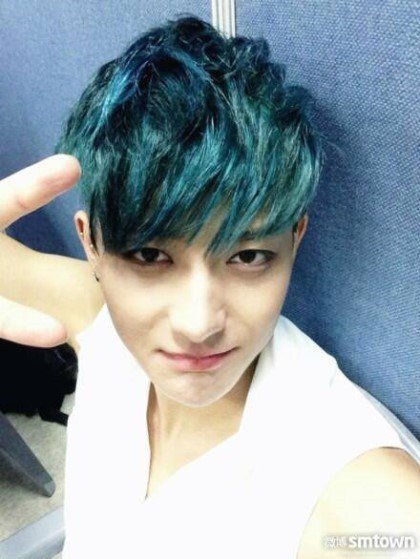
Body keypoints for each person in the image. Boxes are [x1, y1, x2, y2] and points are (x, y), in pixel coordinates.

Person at [1, 14, 419, 559]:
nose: (198, 324)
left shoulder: (352, 490)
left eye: (249, 256)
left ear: (295, 239)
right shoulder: (96, 315)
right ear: (92, 245)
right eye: (149, 256)